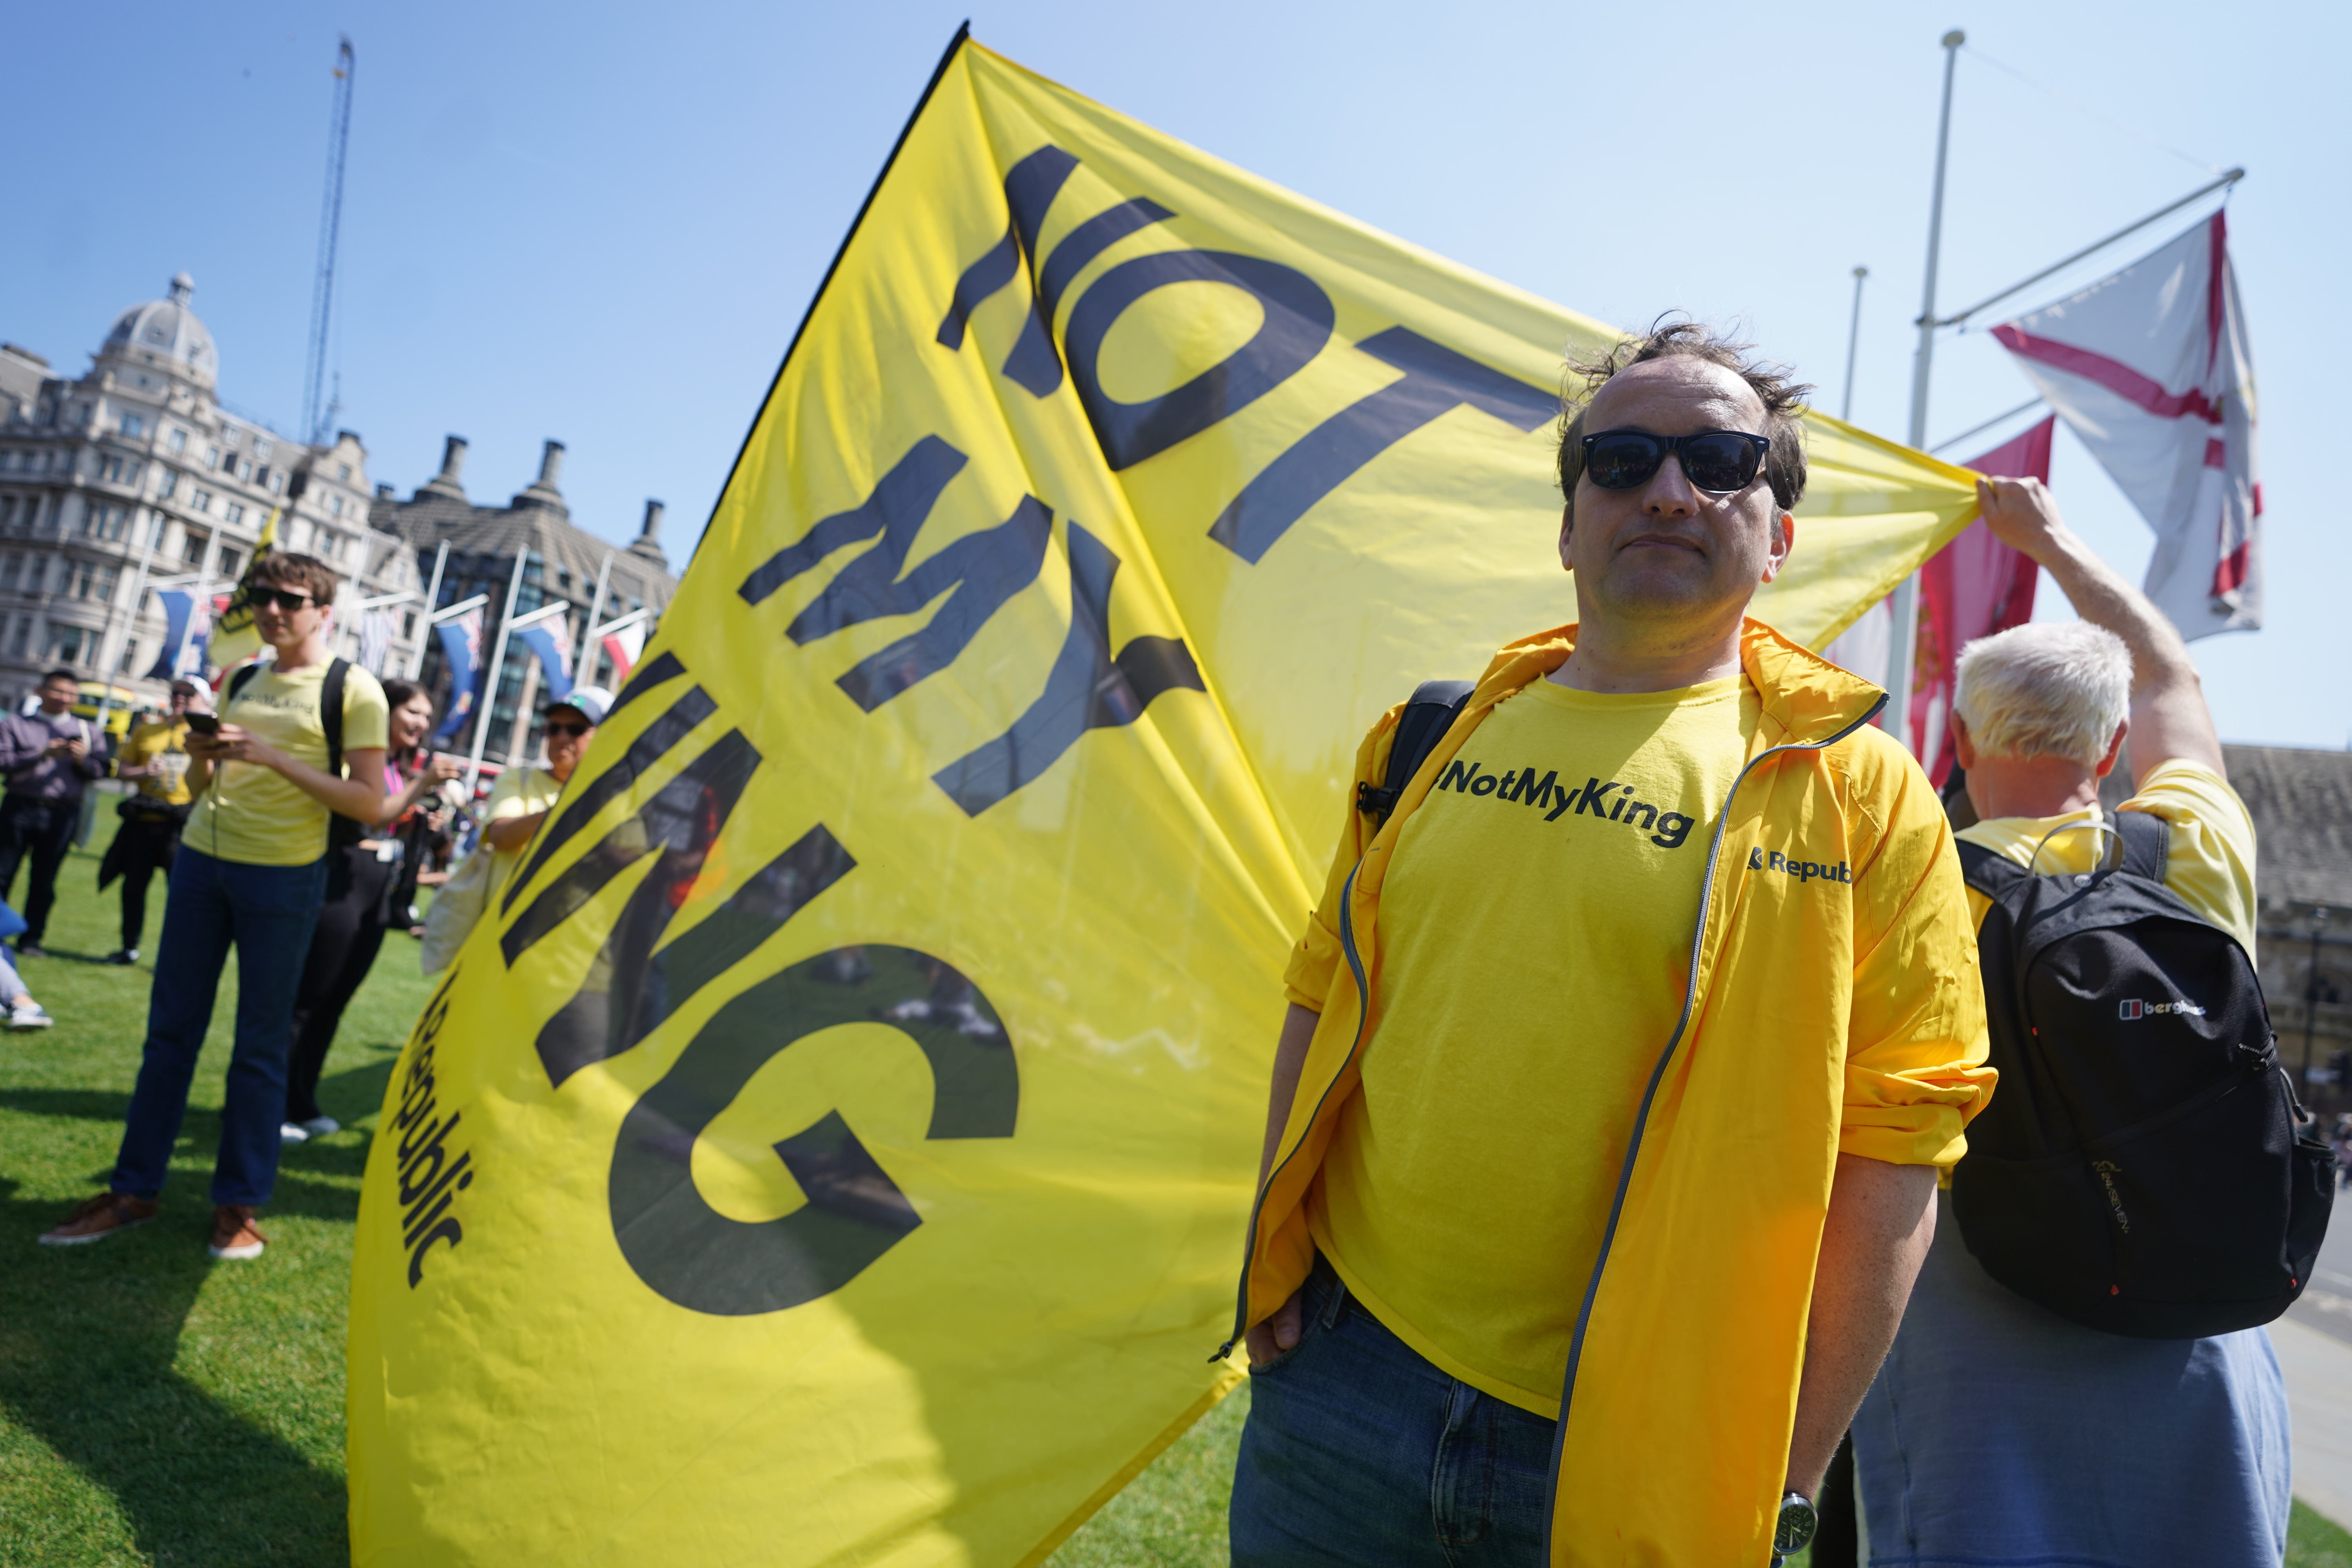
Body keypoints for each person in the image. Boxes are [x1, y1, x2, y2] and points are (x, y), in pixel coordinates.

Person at [1225, 321, 1993, 1564]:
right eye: (1621, 457)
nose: (1668, 489)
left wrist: (1790, 1464)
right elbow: (1321, 996)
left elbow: (1898, 1138)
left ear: (1779, 532)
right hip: (1343, 1376)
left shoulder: (1864, 791)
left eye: (1721, 459)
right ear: (1569, 523)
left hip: (1649, 1436)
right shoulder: (1426, 737)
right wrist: (1271, 1250)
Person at [1849, 476, 2287, 1564]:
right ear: (2108, 750)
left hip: (1973, 1316)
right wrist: (2048, 541)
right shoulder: (2194, 847)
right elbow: (2174, 675)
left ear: (1958, 732)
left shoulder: (1911, 885)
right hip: (2196, 1306)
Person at [38, 553, 390, 1261]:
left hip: (286, 877)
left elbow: (372, 803)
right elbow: (205, 784)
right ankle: (134, 1191)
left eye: (288, 598)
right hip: (203, 864)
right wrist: (205, 754)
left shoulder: (355, 689)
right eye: (260, 596)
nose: (270, 609)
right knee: (169, 1034)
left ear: (324, 609)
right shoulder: (244, 677)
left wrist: (273, 758)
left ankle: (238, 1206)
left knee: (259, 1047)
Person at [280, 679, 466, 1142]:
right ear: (385, 710)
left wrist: (421, 819)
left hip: (376, 885)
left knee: (336, 1001)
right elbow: (368, 815)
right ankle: (271, 1104)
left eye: (426, 716)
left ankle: (301, 1102)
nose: (421, 724)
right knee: (307, 1001)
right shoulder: (358, 758)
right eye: (413, 713)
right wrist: (422, 786)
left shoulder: (399, 766)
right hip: (341, 878)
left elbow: (389, 822)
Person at [0, 668, 109, 957]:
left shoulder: (89, 732)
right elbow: (4, 762)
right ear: (40, 691)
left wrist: (83, 760)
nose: (64, 698)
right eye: (58, 691)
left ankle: (31, 940)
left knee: (45, 880)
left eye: (71, 694)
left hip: (62, 813)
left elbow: (100, 770)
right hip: (20, 807)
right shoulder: (16, 724)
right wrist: (41, 754)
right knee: (2, 874)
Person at [100, 677, 203, 964]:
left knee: (182, 896)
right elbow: (121, 770)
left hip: (181, 824)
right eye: (176, 692)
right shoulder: (148, 730)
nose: (181, 698)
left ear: (202, 699)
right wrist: (143, 771)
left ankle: (175, 959)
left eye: (189, 694)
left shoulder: (204, 735)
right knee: (133, 887)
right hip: (144, 820)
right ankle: (128, 948)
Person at [480, 687, 608, 891]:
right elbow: (500, 837)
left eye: (576, 729)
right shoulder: (518, 778)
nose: (561, 737)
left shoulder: (610, 793)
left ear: (602, 735)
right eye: (554, 728)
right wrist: (565, 809)